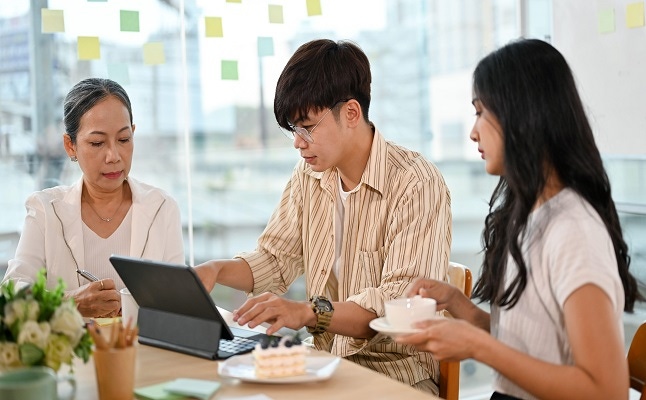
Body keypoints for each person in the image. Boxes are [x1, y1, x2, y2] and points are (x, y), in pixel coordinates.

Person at [195, 39, 452, 393]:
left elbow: (398, 304)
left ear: (350, 113)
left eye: (307, 127)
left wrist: (308, 312)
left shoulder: (415, 183)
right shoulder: (309, 176)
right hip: (321, 363)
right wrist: (216, 270)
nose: (298, 143)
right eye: (292, 130)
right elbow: (275, 259)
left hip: (397, 373)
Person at [396, 38, 641, 400]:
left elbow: (607, 390)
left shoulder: (574, 230)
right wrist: (458, 306)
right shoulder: (532, 216)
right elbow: (532, 347)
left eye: (480, 112)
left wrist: (478, 346)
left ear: (522, 114)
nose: (472, 131)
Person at [3, 78, 185, 318]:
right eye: (97, 143)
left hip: (142, 353)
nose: (113, 156)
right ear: (70, 146)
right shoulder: (46, 210)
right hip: (68, 352)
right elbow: (10, 295)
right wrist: (68, 302)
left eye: (123, 139)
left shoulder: (161, 207)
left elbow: (179, 300)